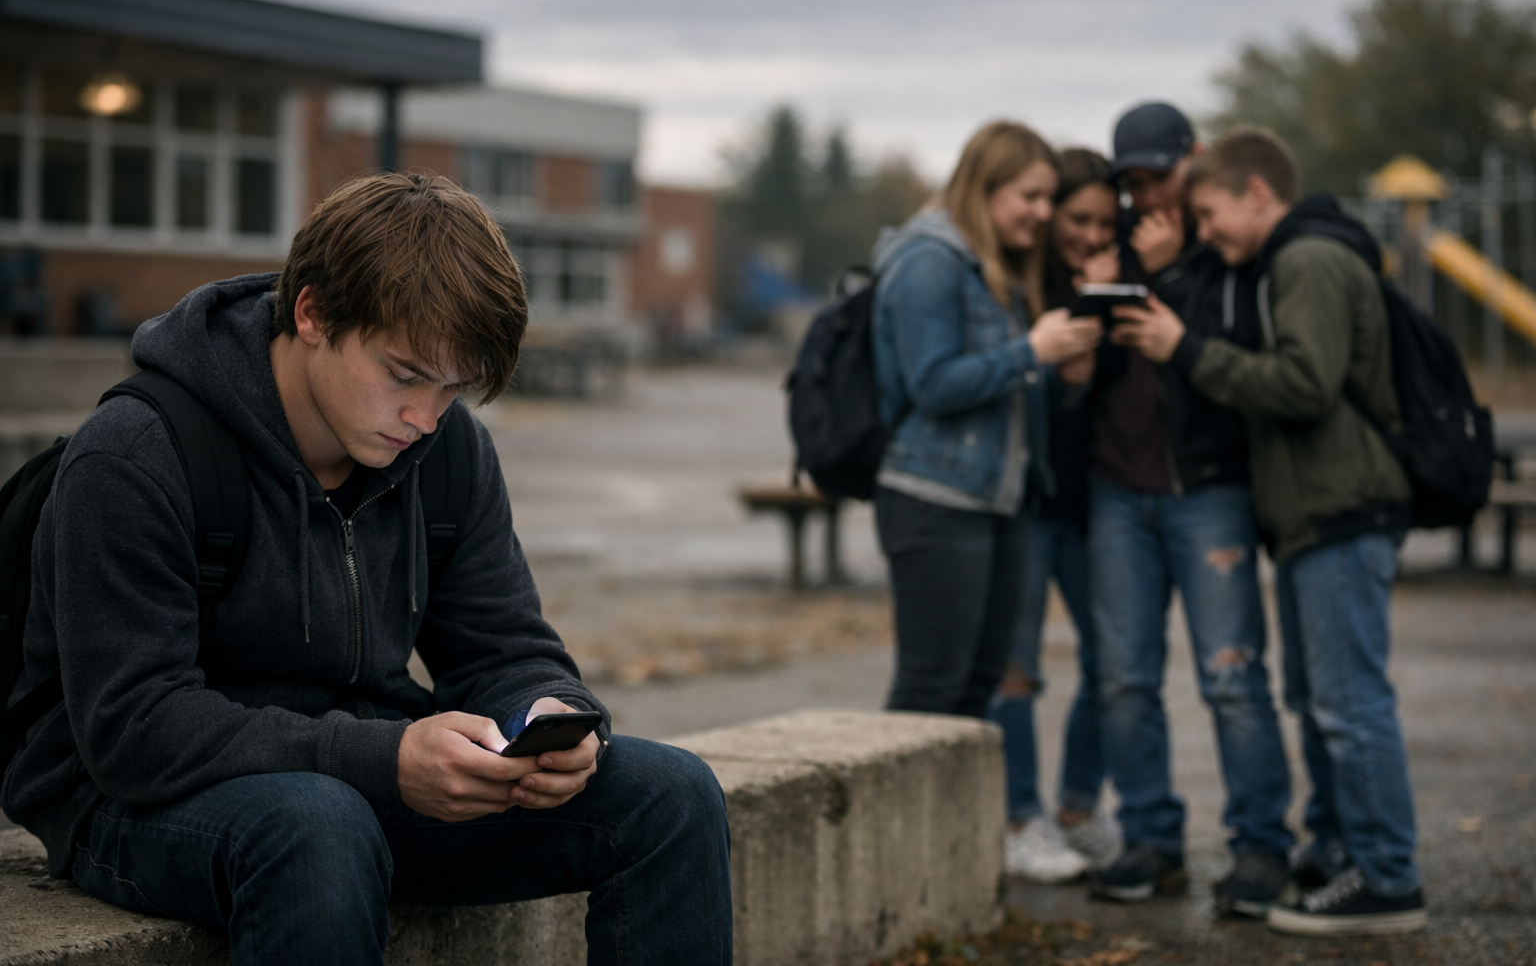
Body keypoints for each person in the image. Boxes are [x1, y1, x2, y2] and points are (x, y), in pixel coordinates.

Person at [1, 173, 733, 966]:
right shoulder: (136, 454)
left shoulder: (446, 452)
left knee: (673, 795)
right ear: (312, 313)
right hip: (134, 798)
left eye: (453, 388)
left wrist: (552, 717)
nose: (425, 418)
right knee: (317, 826)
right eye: (406, 375)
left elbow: (502, 647)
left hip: (356, 783)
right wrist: (384, 760)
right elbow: (133, 728)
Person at [1113, 126, 1427, 936]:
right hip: (1310, 513)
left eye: (1211, 213)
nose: (1204, 229)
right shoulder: (1281, 260)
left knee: (1350, 703)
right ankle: (1345, 854)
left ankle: (1387, 877)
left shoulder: (1307, 260)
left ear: (1258, 194)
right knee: (1321, 700)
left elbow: (1305, 384)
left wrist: (1186, 348)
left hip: (1340, 506)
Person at [1080, 103, 1294, 914]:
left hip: (1208, 489)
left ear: (1194, 160)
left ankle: (1262, 849)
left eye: (1158, 176)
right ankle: (1150, 840)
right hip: (1116, 491)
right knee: (1124, 679)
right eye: (1131, 181)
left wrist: (1166, 275)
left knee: (1232, 677)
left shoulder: (1227, 244)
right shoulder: (1118, 242)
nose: (1147, 196)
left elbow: (1227, 361)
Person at [869, 121, 1102, 723]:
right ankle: (904, 820)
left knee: (976, 691)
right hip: (934, 498)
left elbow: (995, 384)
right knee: (930, 690)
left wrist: (1058, 372)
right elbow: (934, 384)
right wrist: (1034, 353)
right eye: (1030, 196)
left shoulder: (994, 266)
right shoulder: (929, 260)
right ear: (984, 188)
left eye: (1048, 198)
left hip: (997, 500)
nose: (1043, 213)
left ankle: (954, 822)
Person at [990, 148, 1121, 883]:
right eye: (1077, 218)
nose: (1089, 235)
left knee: (1113, 657)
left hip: (1094, 501)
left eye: (1104, 222)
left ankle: (1076, 806)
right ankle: (1019, 816)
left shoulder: (1122, 278)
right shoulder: (1019, 282)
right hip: (1024, 505)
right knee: (1017, 668)